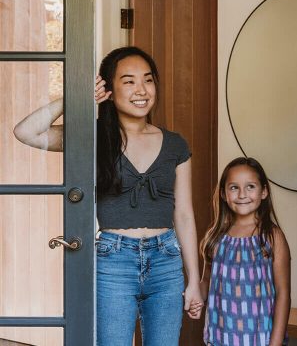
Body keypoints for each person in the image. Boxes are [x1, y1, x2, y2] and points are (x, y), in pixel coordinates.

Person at [14, 46, 203, 346]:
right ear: (109, 91)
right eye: (129, 81)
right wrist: (77, 96)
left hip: (166, 261)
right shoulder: (93, 137)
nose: (141, 90)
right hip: (114, 262)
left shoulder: (175, 145)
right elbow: (26, 132)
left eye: (148, 80)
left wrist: (193, 280)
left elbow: (184, 215)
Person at [199, 157, 291, 346]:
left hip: (261, 339)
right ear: (223, 193)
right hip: (221, 338)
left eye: (250, 186)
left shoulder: (272, 237)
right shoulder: (216, 237)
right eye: (234, 187)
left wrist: (275, 343)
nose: (242, 194)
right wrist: (194, 296)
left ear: (264, 191)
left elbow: (283, 293)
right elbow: (207, 281)